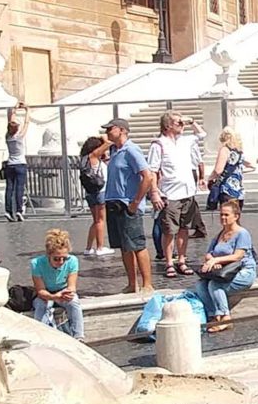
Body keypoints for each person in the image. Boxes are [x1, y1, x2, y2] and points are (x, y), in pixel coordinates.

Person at [147, 114, 206, 276]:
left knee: (184, 229)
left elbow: (202, 134)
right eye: (178, 122)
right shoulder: (158, 144)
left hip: (187, 192)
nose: (182, 124)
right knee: (169, 230)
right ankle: (168, 262)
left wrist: (191, 121)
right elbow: (153, 171)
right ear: (167, 126)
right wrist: (154, 193)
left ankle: (181, 260)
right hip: (170, 193)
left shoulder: (185, 141)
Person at [99, 119, 153, 294]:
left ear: (122, 130)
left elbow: (148, 176)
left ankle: (147, 283)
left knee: (137, 244)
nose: (107, 132)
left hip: (127, 203)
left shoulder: (131, 150)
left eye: (110, 129)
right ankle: (132, 283)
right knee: (124, 246)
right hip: (113, 202)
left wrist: (136, 202)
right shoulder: (115, 150)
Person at [197, 196, 257, 331]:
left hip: (243, 271)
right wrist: (213, 261)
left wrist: (217, 260)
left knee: (215, 285)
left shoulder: (242, 233)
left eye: (226, 215)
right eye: (221, 215)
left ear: (236, 216)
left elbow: (238, 256)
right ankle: (213, 315)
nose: (223, 218)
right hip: (225, 271)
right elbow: (209, 253)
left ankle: (225, 317)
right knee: (200, 285)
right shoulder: (220, 234)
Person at [30, 229, 84, 339]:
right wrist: (53, 297)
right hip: (45, 293)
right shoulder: (36, 263)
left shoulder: (73, 261)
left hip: (63, 291)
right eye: (56, 259)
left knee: (74, 302)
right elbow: (40, 290)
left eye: (64, 258)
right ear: (48, 255)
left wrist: (67, 293)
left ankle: (78, 336)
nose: (61, 262)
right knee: (41, 305)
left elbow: (72, 286)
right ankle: (40, 336)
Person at [78, 134, 109, 258]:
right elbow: (108, 143)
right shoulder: (94, 156)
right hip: (100, 191)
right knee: (101, 220)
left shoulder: (84, 158)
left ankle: (88, 247)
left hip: (89, 192)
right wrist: (103, 138)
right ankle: (100, 247)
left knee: (96, 221)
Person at [206, 127, 246, 210]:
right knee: (236, 214)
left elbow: (218, 170)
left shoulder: (225, 150)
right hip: (239, 191)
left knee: (227, 214)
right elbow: (251, 166)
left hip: (227, 189)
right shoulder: (239, 152)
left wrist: (210, 178)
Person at [3, 104, 29, 222]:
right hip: (20, 164)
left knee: (9, 188)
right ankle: (19, 210)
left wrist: (14, 110)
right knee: (19, 188)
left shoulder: (8, 137)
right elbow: (26, 123)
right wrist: (27, 110)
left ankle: (8, 211)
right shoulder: (19, 137)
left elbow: (10, 122)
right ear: (17, 129)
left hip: (10, 164)